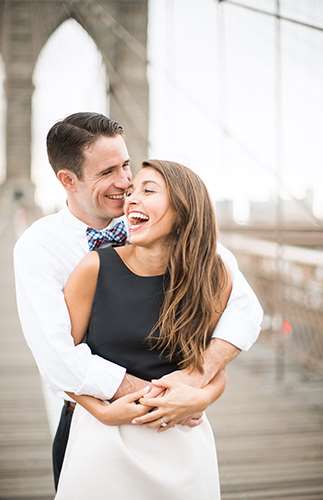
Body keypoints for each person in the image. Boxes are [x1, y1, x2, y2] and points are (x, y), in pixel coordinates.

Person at [14, 112, 263, 490]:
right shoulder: (41, 247)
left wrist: (195, 384)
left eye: (126, 166)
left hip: (181, 431)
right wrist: (154, 399)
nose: (125, 182)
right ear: (68, 180)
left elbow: (243, 312)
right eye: (107, 172)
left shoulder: (188, 244)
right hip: (95, 427)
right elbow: (57, 357)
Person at [55, 159, 233, 499]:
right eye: (131, 190)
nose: (130, 198)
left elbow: (212, 366)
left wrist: (200, 398)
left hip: (181, 445)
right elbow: (62, 360)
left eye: (148, 190)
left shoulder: (215, 276)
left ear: (184, 208)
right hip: (102, 445)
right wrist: (104, 413)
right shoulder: (94, 267)